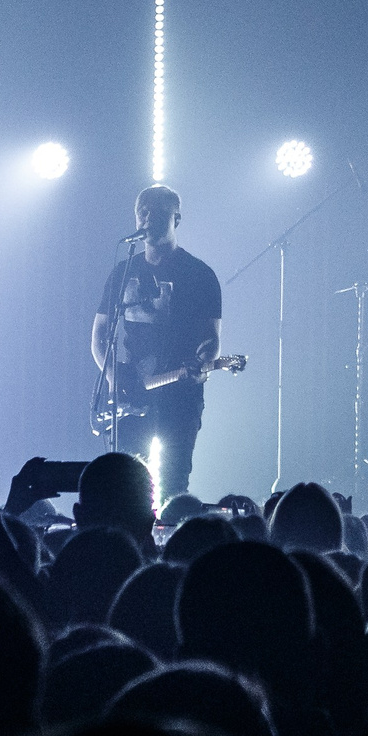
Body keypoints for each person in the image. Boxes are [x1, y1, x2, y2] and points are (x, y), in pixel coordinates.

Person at [91, 185, 225, 504]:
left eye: (157, 212)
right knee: (125, 486)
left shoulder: (200, 275)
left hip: (179, 393)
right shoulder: (123, 272)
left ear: (176, 218)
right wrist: (113, 375)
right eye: (142, 211)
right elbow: (99, 334)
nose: (147, 218)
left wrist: (204, 363)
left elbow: (212, 339)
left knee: (173, 483)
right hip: (132, 390)